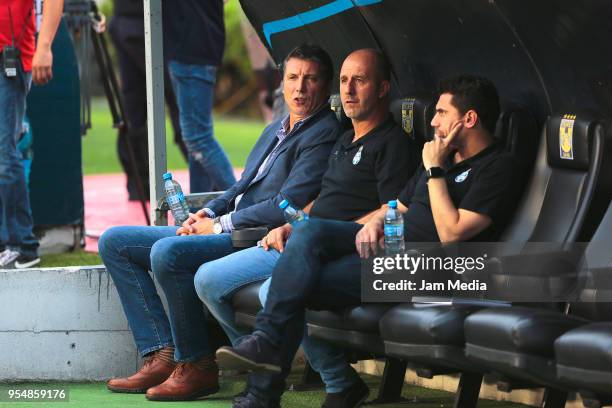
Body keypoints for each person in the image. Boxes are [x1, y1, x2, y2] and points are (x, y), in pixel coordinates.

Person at [216, 75, 520, 407]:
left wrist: (434, 171)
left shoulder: (497, 166)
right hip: (389, 250)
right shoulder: (442, 156)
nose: (433, 121)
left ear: (470, 119)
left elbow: (452, 233)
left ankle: (265, 387)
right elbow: (397, 206)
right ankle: (267, 343)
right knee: (309, 230)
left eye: (443, 113)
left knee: (296, 285)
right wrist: (376, 221)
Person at [99, 44, 341, 401]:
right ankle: (161, 352)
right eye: (293, 78)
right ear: (282, 82)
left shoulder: (322, 133)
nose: (300, 88)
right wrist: (208, 213)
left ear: (325, 85)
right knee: (114, 242)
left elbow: (282, 205)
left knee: (168, 253)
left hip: (254, 236)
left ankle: (197, 365)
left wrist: (220, 225)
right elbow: (241, 185)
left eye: (311, 79)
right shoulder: (279, 126)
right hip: (229, 225)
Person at [194, 48, 420, 408]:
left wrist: (319, 229)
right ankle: (282, 370)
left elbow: (390, 212)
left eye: (359, 81)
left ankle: (272, 379)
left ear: (382, 88)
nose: (349, 90)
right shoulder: (345, 140)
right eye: (345, 81)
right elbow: (322, 198)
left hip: (352, 250)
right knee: (224, 279)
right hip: (311, 242)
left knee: (277, 290)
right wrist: (292, 224)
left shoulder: (392, 144)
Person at [0, 0, 64, 268]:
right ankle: (11, 243)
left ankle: (21, 245)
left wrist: (45, 47)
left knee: (4, 152)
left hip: (9, 57)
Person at [107, 0, 187, 200]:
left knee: (136, 105)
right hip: (142, 21)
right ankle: (140, 185)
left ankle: (139, 186)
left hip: (137, 20)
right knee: (176, 101)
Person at [162, 0, 236, 193]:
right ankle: (199, 211)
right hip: (196, 48)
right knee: (196, 141)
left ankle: (243, 204)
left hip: (190, 50)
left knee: (198, 138)